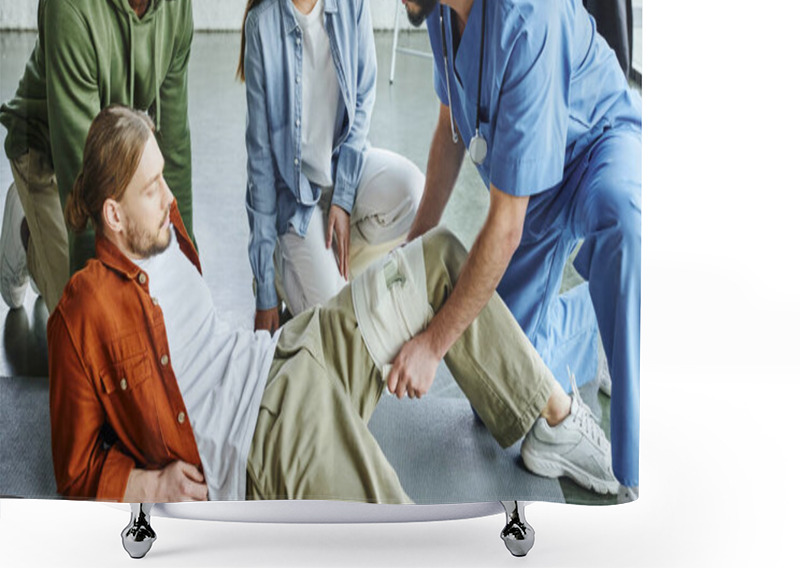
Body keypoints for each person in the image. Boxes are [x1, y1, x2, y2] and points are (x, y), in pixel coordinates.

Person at [47, 105, 619, 503]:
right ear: (113, 216)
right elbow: (75, 471)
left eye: (164, 178)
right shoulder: (84, 310)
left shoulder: (164, 226)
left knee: (440, 255)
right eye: (152, 189)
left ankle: (554, 424)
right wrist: (147, 487)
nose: (171, 197)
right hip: (265, 436)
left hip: (292, 350)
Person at [367, 0, 642, 495]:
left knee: (622, 224)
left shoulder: (525, 9)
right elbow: (450, 130)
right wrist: (414, 248)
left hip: (596, 147)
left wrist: (431, 343)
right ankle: (592, 333)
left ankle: (633, 473)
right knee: (504, 402)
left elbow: (505, 222)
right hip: (532, 184)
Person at [0, 0, 195, 317]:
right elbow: (78, 172)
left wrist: (189, 267)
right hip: (51, 152)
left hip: (112, 149)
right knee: (73, 303)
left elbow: (174, 141)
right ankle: (21, 235)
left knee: (152, 278)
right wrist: (101, 313)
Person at [238, 0, 423, 333]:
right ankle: (292, 270)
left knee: (411, 191)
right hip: (296, 205)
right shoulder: (261, 29)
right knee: (346, 332)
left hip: (344, 175)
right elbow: (259, 166)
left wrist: (342, 198)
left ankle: (332, 266)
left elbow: (362, 97)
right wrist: (261, 294)